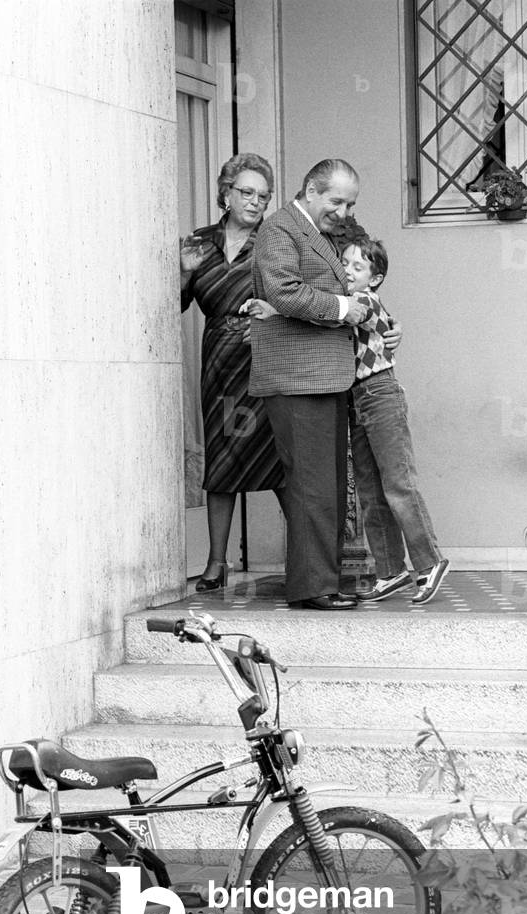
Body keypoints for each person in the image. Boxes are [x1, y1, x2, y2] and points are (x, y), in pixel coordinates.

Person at [249, 158, 400, 610]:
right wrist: (343, 310)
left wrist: (386, 325)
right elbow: (284, 292)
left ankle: (324, 581)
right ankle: (314, 587)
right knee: (313, 486)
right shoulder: (279, 230)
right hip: (297, 379)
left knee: (328, 486)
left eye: (350, 202)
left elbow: (363, 284)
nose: (344, 210)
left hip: (329, 378)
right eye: (336, 200)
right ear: (310, 190)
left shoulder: (329, 233)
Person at [180, 153, 284, 592]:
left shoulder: (275, 241)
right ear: (225, 193)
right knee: (222, 460)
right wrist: (183, 274)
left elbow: (295, 296)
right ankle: (216, 562)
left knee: (280, 460)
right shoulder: (199, 243)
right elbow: (173, 306)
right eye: (246, 192)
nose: (255, 202)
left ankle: (308, 559)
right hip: (220, 362)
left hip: (263, 359)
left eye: (263, 195)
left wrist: (271, 313)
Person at [341, 236, 449, 604]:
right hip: (358, 398)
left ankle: (429, 561)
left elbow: (367, 314)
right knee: (371, 492)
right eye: (345, 263)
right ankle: (390, 571)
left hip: (380, 392)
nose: (348, 271)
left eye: (358, 267)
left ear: (374, 279)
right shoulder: (351, 299)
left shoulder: (362, 300)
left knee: (398, 484)